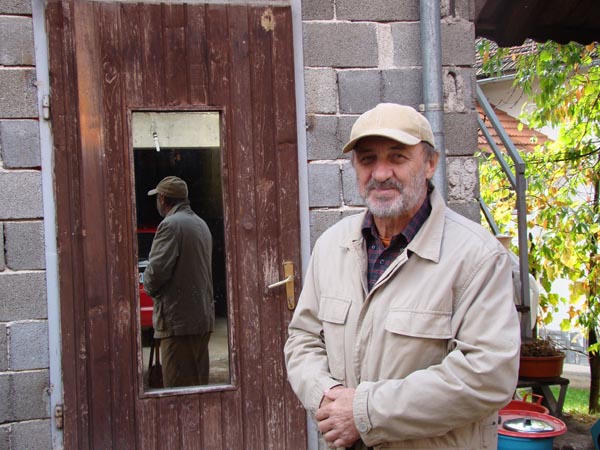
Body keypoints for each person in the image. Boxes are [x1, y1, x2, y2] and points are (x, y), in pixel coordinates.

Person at [284, 104, 521, 449]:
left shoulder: (477, 257)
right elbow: (303, 339)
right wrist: (326, 395)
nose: (381, 173)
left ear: (430, 164)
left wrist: (364, 412)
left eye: (397, 157)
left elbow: (488, 375)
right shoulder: (332, 246)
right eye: (367, 159)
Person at [144, 176, 214, 387]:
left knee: (177, 391)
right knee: (198, 388)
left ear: (163, 198)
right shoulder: (201, 224)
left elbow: (156, 273)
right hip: (201, 320)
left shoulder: (170, 225)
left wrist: (149, 285)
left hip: (178, 323)